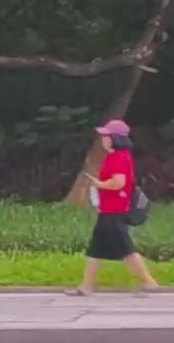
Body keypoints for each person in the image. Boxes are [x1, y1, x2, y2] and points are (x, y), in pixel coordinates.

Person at [67, 119, 161, 296]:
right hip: (109, 210)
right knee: (96, 250)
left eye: (106, 136)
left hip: (114, 211)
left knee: (126, 251)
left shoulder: (118, 157)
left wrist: (98, 184)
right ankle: (86, 286)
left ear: (115, 138)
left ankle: (149, 282)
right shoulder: (117, 156)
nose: (103, 139)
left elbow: (118, 183)